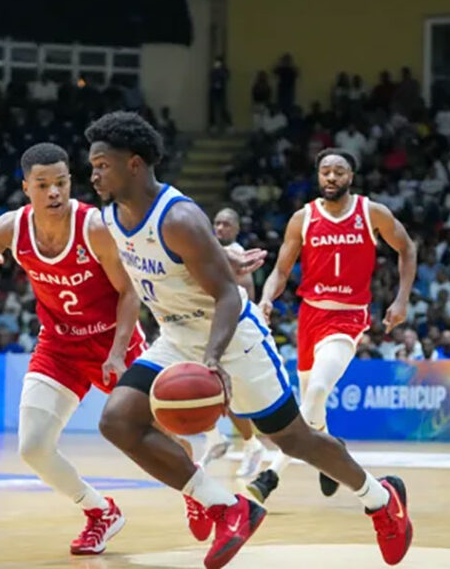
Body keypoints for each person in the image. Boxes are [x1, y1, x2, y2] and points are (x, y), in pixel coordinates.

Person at [87, 112, 412, 569]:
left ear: (135, 164)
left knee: (296, 440)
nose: (94, 173)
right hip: (178, 335)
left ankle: (382, 500)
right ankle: (228, 507)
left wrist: (213, 359)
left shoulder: (179, 216)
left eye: (103, 164)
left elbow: (225, 294)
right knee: (117, 420)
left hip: (233, 337)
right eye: (93, 165)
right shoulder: (110, 219)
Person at [0, 142, 262, 556]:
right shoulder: (8, 228)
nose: (54, 192)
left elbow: (128, 291)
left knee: (167, 431)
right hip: (59, 347)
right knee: (33, 447)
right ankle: (100, 512)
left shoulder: (93, 225)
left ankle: (196, 489)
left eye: (61, 182)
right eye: (43, 185)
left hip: (113, 340)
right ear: (26, 188)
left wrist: (116, 351)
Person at [245, 148, 416, 504]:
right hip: (310, 317)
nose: (331, 177)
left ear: (350, 177)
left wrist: (401, 299)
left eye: (339, 171)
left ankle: (271, 476)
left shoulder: (371, 212)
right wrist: (266, 298)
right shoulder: (302, 218)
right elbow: (280, 269)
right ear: (318, 176)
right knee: (313, 406)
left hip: (348, 316)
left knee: (317, 391)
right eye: (325, 171)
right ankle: (329, 453)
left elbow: (407, 248)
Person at [204, 207, 267, 479]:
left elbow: (247, 296)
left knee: (230, 396)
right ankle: (216, 438)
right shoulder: (210, 251)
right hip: (207, 329)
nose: (220, 228)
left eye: (226, 224)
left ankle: (251, 445)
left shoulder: (238, 255)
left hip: (231, 332)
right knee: (200, 387)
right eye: (216, 223)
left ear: (237, 229)